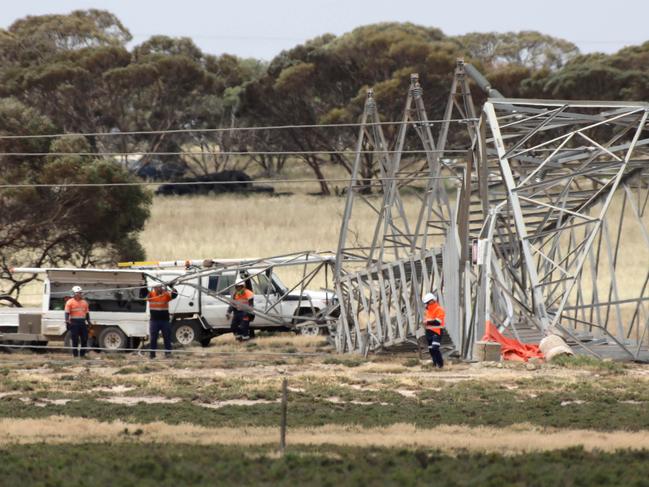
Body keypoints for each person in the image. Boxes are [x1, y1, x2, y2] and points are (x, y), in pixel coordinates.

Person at [147, 283, 178, 358]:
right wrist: (143, 284)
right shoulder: (151, 294)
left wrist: (172, 287)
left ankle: (168, 353)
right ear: (154, 288)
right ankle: (152, 354)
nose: (159, 289)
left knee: (167, 337)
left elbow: (175, 295)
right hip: (154, 321)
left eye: (160, 287)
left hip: (165, 321)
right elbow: (143, 293)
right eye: (157, 288)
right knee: (153, 338)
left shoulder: (166, 294)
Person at [64, 286, 92, 358]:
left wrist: (88, 322)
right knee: (75, 340)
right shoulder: (69, 302)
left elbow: (87, 313)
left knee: (84, 339)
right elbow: (67, 313)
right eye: (78, 293)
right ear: (74, 293)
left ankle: (82, 355)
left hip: (82, 322)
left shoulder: (84, 302)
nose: (79, 294)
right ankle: (75, 355)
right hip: (74, 323)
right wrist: (67, 322)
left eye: (80, 293)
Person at [423, 292, 446, 369]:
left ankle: (440, 365)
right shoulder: (427, 310)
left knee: (435, 348)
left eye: (428, 302)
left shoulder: (439, 309)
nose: (427, 304)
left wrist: (428, 322)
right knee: (431, 350)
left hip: (437, 331)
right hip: (429, 332)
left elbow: (437, 322)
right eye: (426, 302)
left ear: (432, 300)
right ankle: (435, 364)